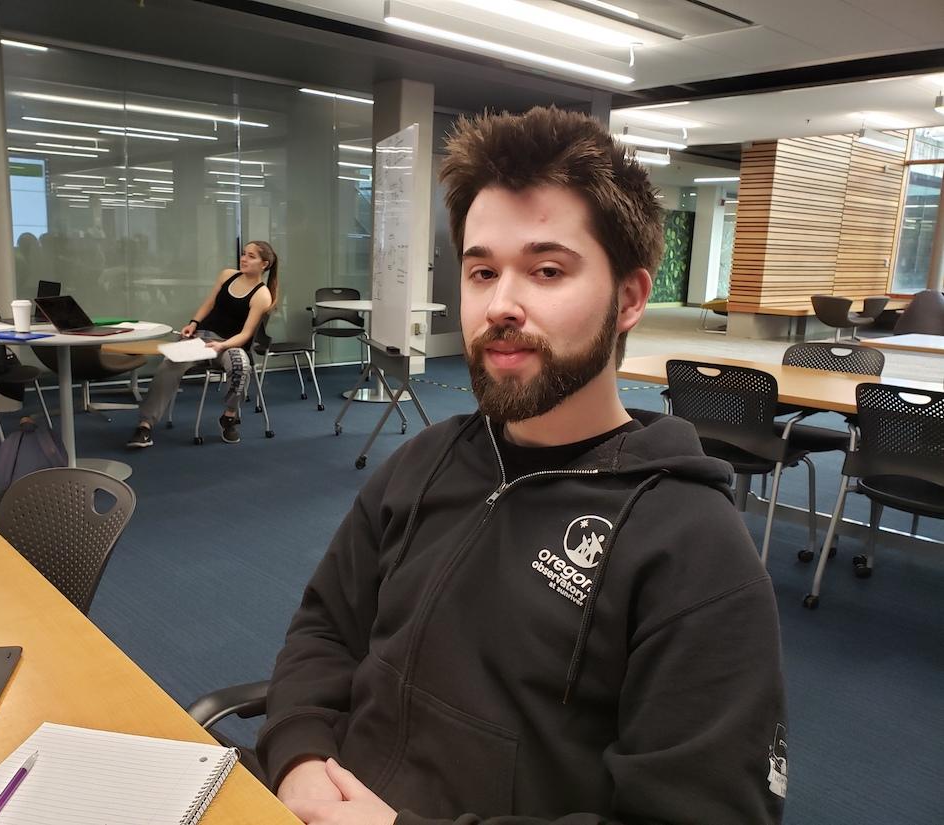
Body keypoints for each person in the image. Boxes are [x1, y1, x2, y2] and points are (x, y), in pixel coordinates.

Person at [255, 107, 787, 825]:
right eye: (481, 271)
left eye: (546, 269)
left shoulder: (695, 554)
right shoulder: (421, 463)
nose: (501, 304)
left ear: (629, 297)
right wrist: (296, 757)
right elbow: (325, 627)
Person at [126, 241, 277, 447]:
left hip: (230, 344)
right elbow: (209, 303)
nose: (244, 259)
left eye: (251, 256)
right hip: (202, 337)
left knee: (242, 366)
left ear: (264, 264)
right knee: (169, 364)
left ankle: (229, 417)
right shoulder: (227, 275)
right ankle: (145, 425)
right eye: (243, 254)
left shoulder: (262, 295)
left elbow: (246, 334)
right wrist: (193, 323)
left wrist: (221, 346)